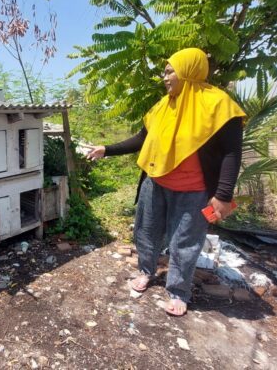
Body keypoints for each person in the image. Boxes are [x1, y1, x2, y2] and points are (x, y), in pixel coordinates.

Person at [85, 48, 246, 316]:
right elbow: (141, 139)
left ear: (187, 71)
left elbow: (232, 152)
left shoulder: (219, 105)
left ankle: (178, 291)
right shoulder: (162, 106)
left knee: (185, 242)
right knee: (146, 232)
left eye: (170, 71)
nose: (164, 77)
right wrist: (107, 149)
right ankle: (146, 271)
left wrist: (223, 194)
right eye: (165, 71)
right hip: (155, 184)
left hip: (194, 191)